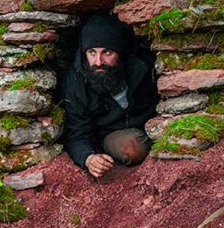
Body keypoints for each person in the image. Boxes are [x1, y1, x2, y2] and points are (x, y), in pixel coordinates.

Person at [61, 12, 159, 177]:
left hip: (153, 123)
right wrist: (88, 158)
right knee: (131, 147)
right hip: (112, 135)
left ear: (120, 52)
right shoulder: (76, 80)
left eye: (107, 53)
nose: (98, 62)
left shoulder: (143, 66)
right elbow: (76, 133)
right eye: (92, 52)